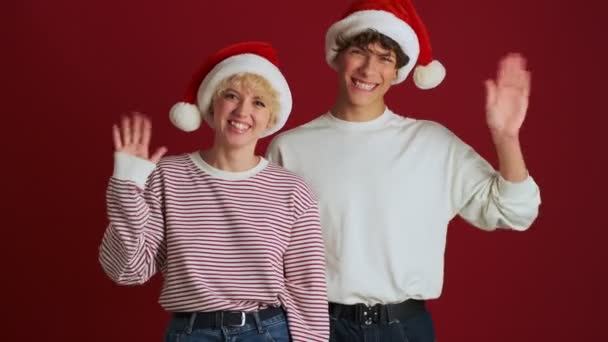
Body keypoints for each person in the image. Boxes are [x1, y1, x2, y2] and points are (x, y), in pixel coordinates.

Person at [266, 0, 541, 341]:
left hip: (405, 328)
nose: (369, 69)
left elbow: (516, 212)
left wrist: (506, 138)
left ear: (398, 71)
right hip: (317, 326)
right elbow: (262, 252)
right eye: (359, 52)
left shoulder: (432, 144)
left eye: (385, 58)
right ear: (338, 55)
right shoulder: (290, 148)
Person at [99, 41, 329, 342]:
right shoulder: (167, 176)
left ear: (271, 117)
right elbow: (128, 271)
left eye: (258, 102)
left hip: (267, 333)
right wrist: (128, 189)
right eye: (231, 96)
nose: (243, 110)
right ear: (212, 104)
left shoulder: (291, 189)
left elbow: (307, 286)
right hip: (192, 333)